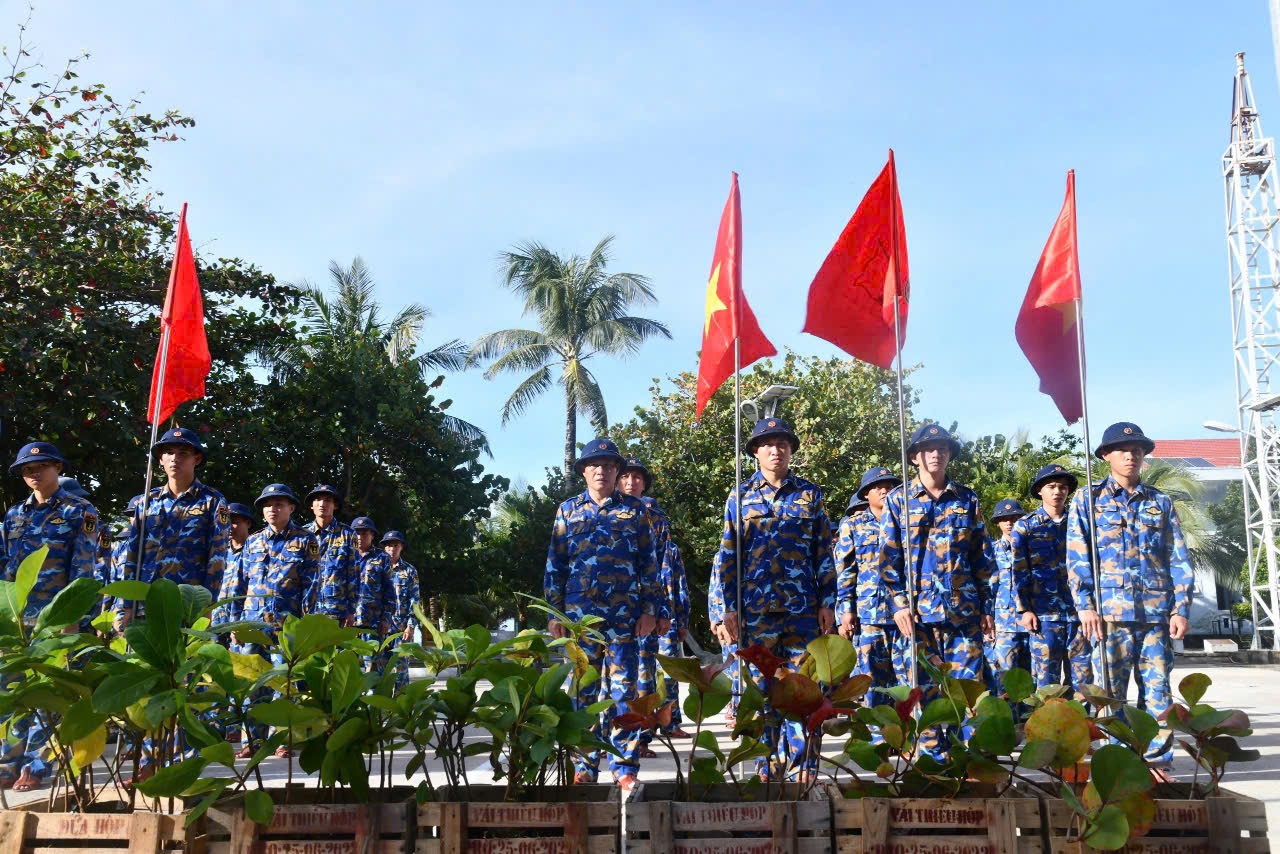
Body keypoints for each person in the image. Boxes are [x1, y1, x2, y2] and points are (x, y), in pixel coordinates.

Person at [714, 417, 835, 781]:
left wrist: (828, 601)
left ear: (791, 451)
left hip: (802, 612)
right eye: (767, 444)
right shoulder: (739, 496)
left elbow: (823, 551)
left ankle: (803, 770)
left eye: (782, 444)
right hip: (756, 612)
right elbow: (728, 556)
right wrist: (727, 608)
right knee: (760, 692)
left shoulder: (810, 495)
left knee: (803, 691)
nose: (775, 450)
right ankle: (765, 767)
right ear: (755, 452)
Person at [1068, 422, 1193, 768]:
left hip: (1155, 615)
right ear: (1106, 455)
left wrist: (1180, 608)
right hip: (1108, 616)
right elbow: (1077, 556)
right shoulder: (1088, 500)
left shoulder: (1160, 502)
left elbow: (1178, 557)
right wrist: (1085, 606)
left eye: (1137, 450)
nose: (1131, 456)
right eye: (1123, 450)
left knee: (1158, 693)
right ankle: (1118, 766)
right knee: (1111, 697)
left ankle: (1157, 765)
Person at [545, 438, 661, 791]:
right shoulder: (568, 510)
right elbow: (556, 564)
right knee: (583, 692)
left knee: (625, 693)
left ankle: (624, 766)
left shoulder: (635, 510)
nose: (601, 471)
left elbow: (649, 564)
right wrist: (555, 613)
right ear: (583, 471)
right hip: (580, 621)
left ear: (617, 472)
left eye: (609, 465)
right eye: (594, 465)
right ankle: (584, 766)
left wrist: (650, 610)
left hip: (625, 619)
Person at [879, 423, 994, 757]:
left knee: (968, 693)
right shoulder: (898, 500)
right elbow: (888, 559)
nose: (936, 454)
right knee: (924, 695)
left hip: (963, 614)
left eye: (943, 448)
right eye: (928, 449)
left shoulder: (967, 499)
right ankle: (933, 766)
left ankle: (968, 763)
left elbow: (982, 557)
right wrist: (899, 604)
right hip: (917, 617)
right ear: (915, 457)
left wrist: (987, 608)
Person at [1, 443, 98, 792]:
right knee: (11, 689)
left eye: (41, 466)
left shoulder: (79, 511)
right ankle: (6, 761)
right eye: (28, 469)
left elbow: (83, 568)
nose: (34, 473)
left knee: (49, 692)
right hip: (15, 620)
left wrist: (71, 617)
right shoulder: (15, 514)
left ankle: (36, 764)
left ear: (58, 467)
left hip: (54, 618)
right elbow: (4, 567)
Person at [114, 427, 230, 632]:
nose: (175, 459)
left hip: (187, 603)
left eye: (183, 453)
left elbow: (217, 558)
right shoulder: (146, 501)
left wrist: (207, 605)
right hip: (146, 600)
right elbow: (132, 555)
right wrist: (126, 605)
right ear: (160, 459)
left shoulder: (212, 501)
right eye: (168, 453)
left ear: (196, 459)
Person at [235, 484, 319, 757]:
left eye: (279, 504)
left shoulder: (306, 540)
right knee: (253, 680)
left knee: (284, 681)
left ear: (291, 508)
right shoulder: (253, 542)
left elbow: (312, 584)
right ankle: (252, 740)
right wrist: (236, 623)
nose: (273, 509)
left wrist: (305, 623)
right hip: (253, 622)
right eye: (268, 504)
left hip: (287, 623)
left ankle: (282, 739)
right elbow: (240, 584)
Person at [618, 457, 691, 747]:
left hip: (653, 607)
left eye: (637, 477)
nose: (631, 482)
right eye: (626, 477)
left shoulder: (657, 522)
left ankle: (656, 729)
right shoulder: (606, 514)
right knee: (625, 676)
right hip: (621, 608)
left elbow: (666, 572)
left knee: (653, 671)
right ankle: (629, 734)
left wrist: (668, 613)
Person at [1012, 464, 1092, 697]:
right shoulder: (1026, 526)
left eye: (1063, 487)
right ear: (1040, 491)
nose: (1058, 492)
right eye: (1051, 486)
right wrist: (1024, 609)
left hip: (1079, 615)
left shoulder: (1080, 524)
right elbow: (1019, 571)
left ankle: (1081, 720)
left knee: (1083, 681)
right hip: (1044, 616)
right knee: (1048, 684)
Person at [836, 466, 902, 707]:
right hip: (870, 615)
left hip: (904, 614)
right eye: (878, 487)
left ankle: (909, 731)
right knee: (873, 682)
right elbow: (845, 571)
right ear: (866, 494)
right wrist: (846, 610)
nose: (885, 491)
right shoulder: (853, 525)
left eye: (890, 486)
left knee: (909, 682)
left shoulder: (908, 522)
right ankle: (878, 730)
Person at [986, 498, 1030, 694]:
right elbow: (987, 589)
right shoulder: (991, 551)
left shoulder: (1032, 549)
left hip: (1031, 623)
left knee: (1031, 680)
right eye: (1005, 519)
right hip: (1003, 625)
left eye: (1015, 518)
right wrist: (987, 621)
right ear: (998, 522)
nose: (1010, 522)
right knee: (1004, 680)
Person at [304, 484, 358, 626]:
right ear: (311, 505)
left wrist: (351, 610)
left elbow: (353, 574)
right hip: (307, 610)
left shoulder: (348, 534)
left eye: (328, 500)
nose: (322, 504)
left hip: (336, 610)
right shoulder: (302, 534)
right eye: (317, 500)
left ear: (335, 505)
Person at [380, 530, 420, 692]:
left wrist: (411, 626)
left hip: (401, 630)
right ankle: (379, 706)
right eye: (388, 545)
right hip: (380, 629)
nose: (392, 549)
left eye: (395, 545)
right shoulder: (376, 568)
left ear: (401, 547)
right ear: (384, 548)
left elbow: (415, 601)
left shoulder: (410, 571)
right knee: (379, 673)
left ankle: (401, 705)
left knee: (401, 673)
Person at [216, 503, 256, 627]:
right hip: (217, 619)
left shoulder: (257, 551)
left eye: (234, 522)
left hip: (243, 619)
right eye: (225, 522)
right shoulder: (219, 551)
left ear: (248, 523)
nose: (229, 527)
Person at [351, 516, 390, 638]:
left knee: (371, 651)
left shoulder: (382, 558)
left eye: (364, 533)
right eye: (357, 533)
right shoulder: (343, 555)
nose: (360, 537)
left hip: (373, 622)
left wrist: (386, 618)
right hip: (347, 621)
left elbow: (389, 591)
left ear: (372, 535)